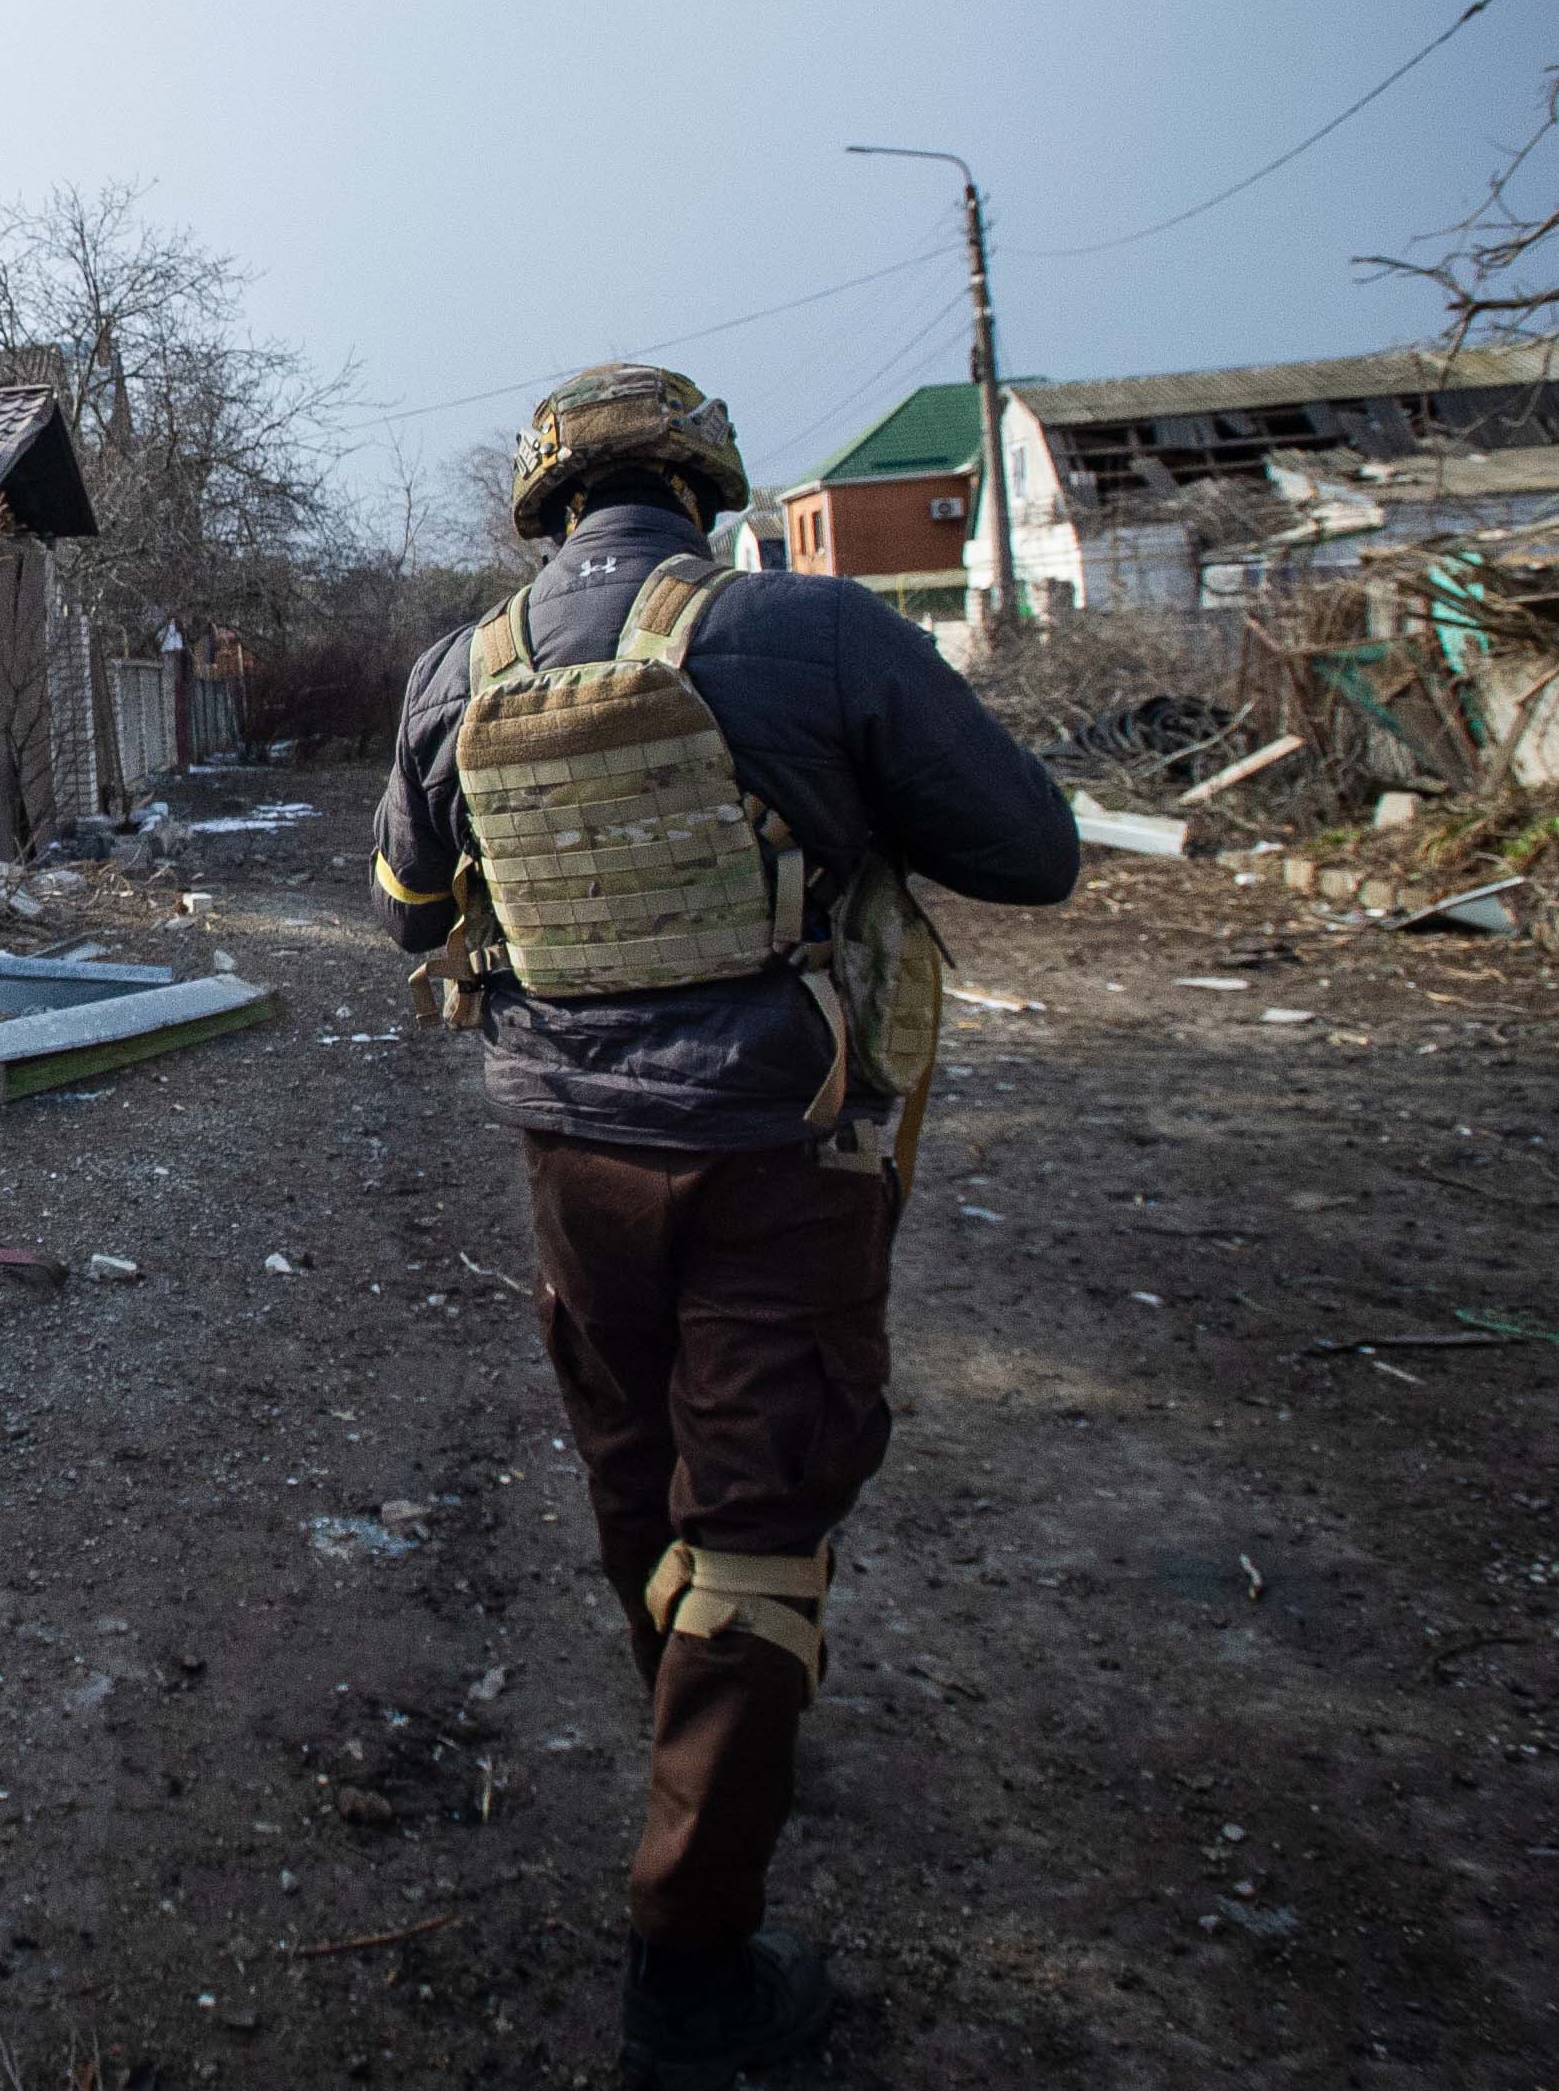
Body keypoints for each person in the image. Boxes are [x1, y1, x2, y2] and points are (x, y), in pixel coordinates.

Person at [370, 363, 1077, 2086]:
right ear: (707, 488)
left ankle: (710, 1740)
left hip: (568, 1159)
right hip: (781, 1148)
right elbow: (1032, 854)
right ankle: (691, 1975)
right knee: (758, 1519)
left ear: (544, 505)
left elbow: (404, 910)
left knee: (641, 1478)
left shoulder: (457, 671)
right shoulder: (816, 634)